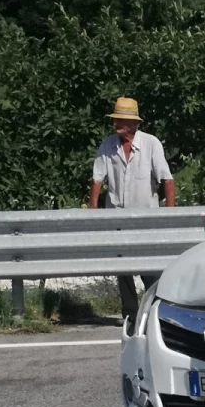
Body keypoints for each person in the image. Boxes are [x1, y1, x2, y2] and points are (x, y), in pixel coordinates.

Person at [86, 97, 174, 320]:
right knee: (123, 269)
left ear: (134, 123)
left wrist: (171, 215)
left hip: (146, 218)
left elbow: (167, 180)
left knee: (150, 271)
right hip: (117, 218)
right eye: (116, 119)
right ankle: (131, 315)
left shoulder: (151, 144)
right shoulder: (107, 145)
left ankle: (155, 311)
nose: (117, 124)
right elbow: (97, 181)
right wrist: (93, 215)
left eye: (122, 120)